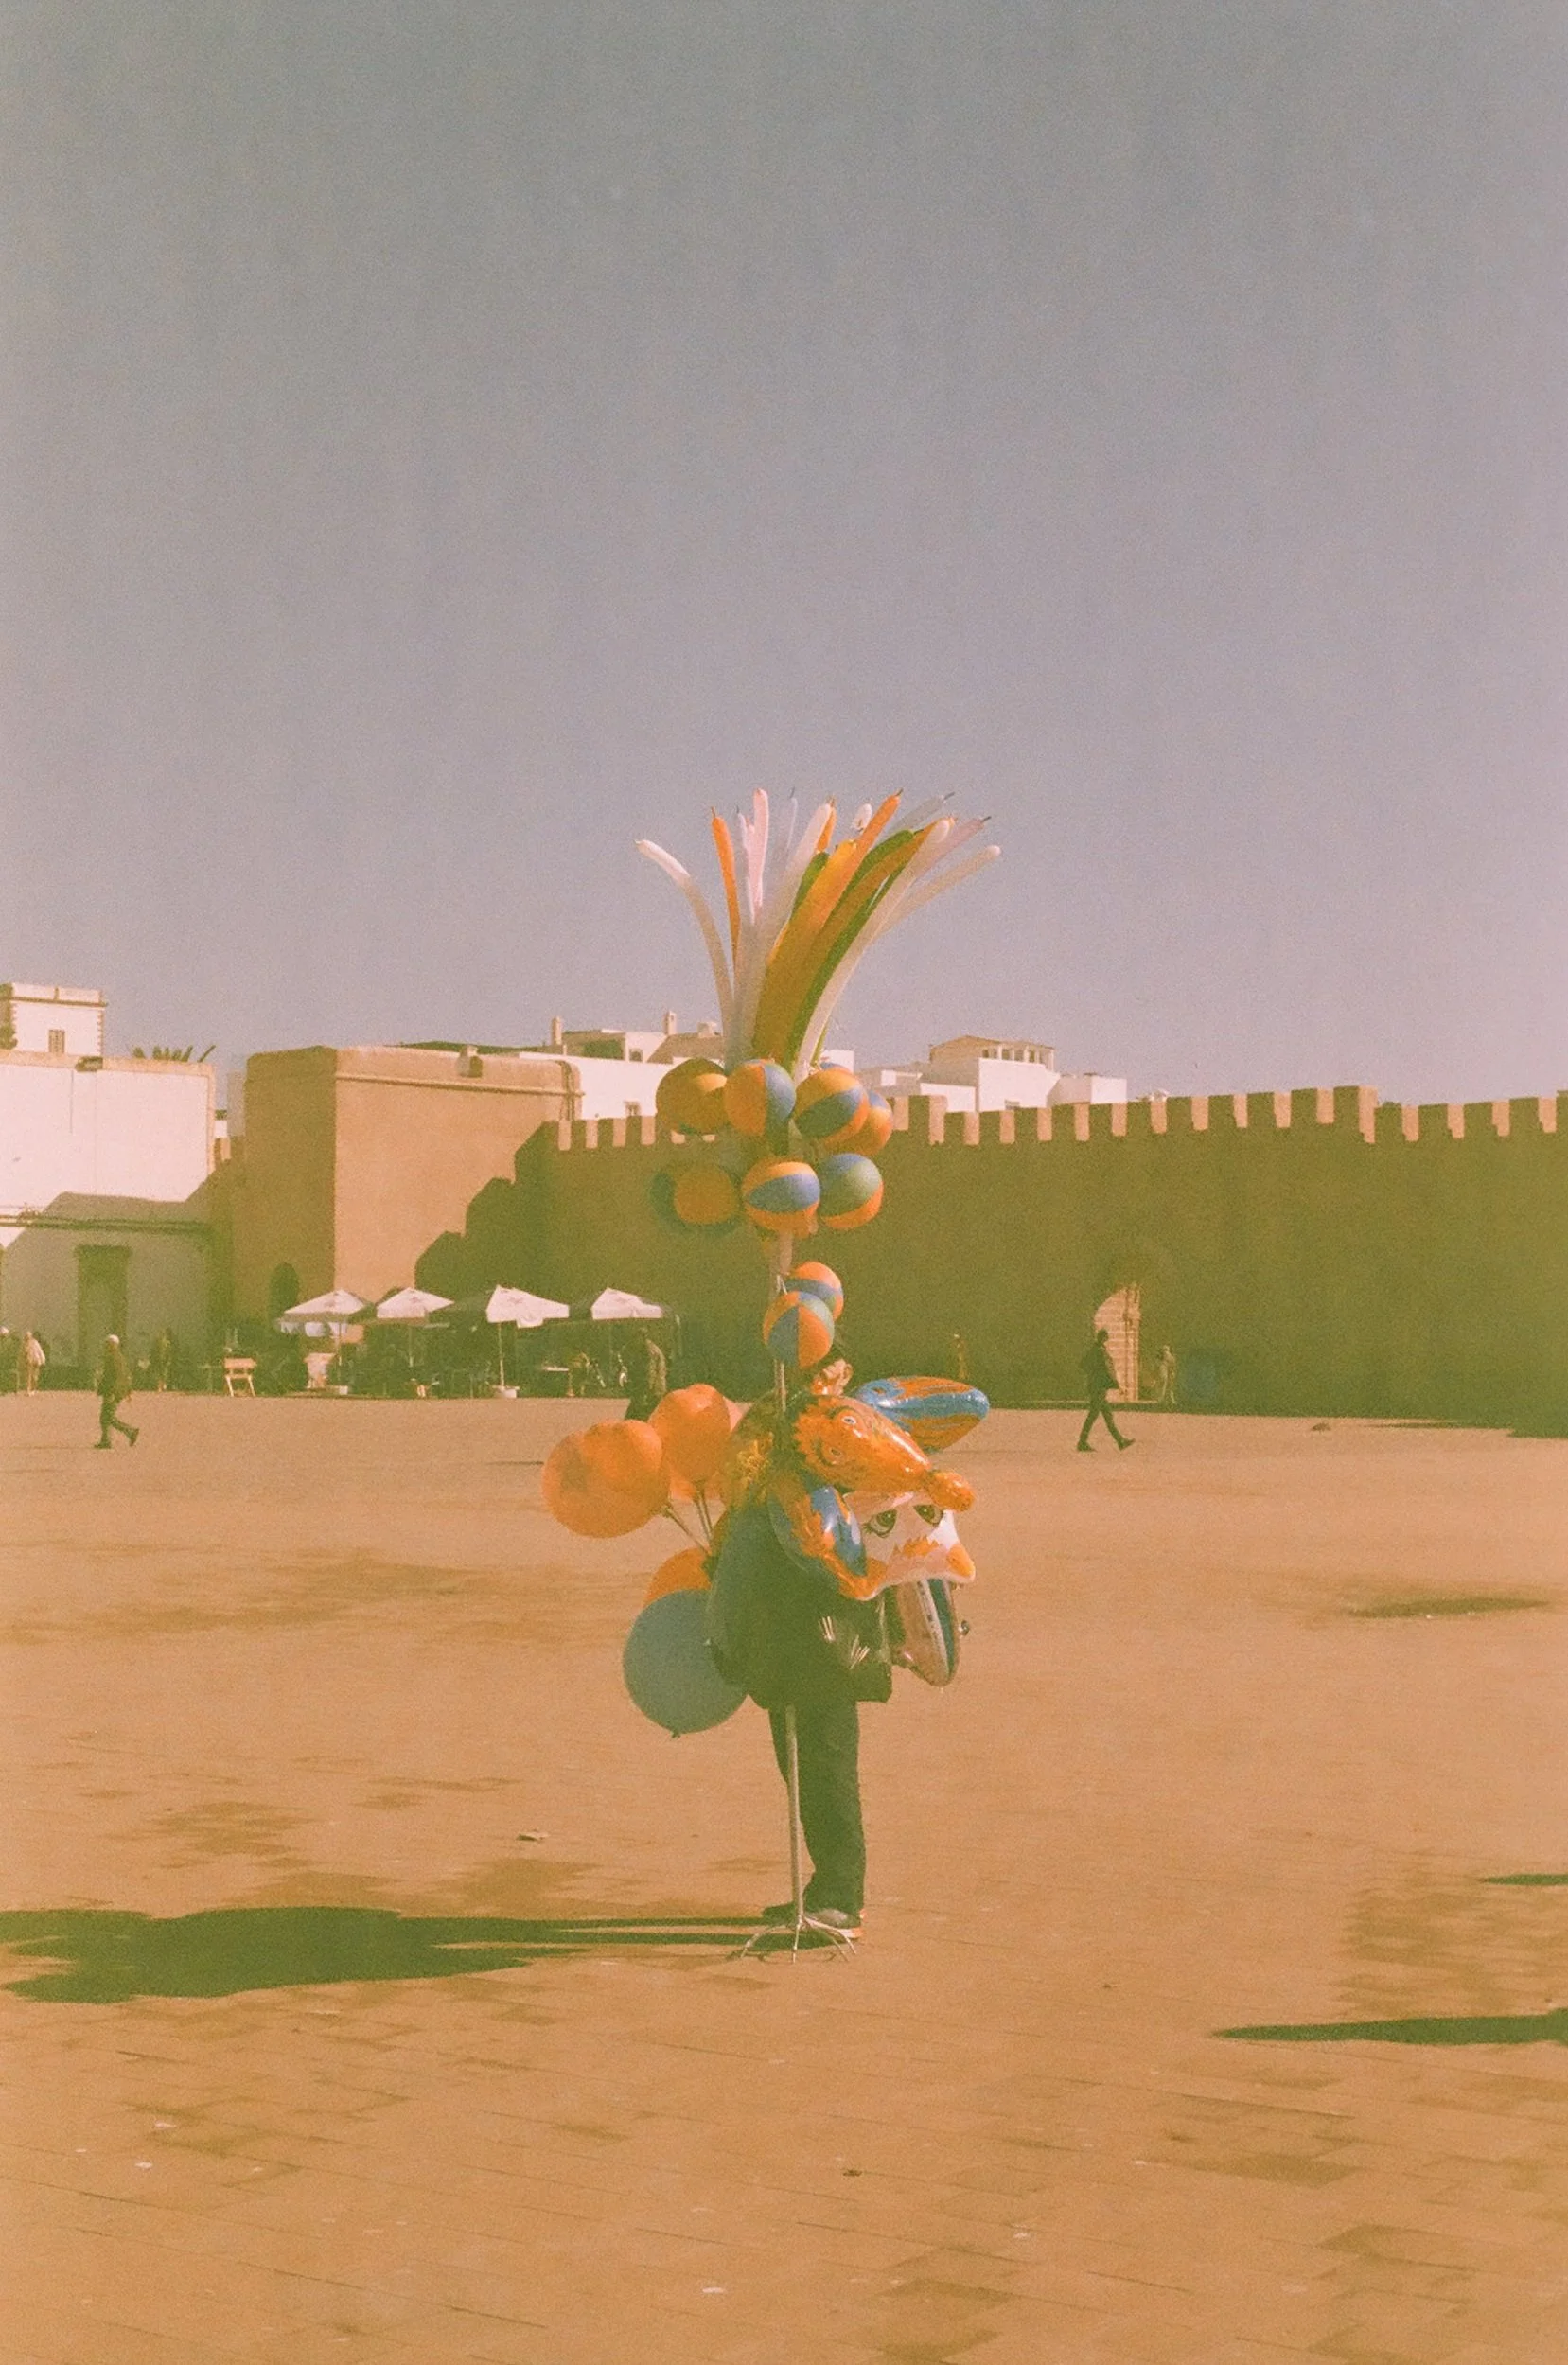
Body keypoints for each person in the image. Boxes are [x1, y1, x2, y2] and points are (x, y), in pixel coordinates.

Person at [708, 1498, 888, 1941]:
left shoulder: (829, 1479)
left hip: (826, 1647)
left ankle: (842, 1898)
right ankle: (825, 1886)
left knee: (827, 1772)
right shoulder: (767, 1491)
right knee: (802, 1773)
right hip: (787, 1646)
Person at [1077, 1326, 1133, 1453]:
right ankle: (1082, 1442)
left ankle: (1120, 1441)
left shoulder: (1093, 1350)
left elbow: (1083, 1365)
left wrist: (1093, 1375)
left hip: (1095, 1387)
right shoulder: (1100, 1351)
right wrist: (1117, 1385)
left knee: (1106, 1415)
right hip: (1099, 1389)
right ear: (1104, 1338)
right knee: (1095, 1416)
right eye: (1106, 1338)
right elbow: (1108, 1369)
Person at [94, 1334, 138, 1449]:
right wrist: (128, 1391)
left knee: (107, 1417)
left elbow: (116, 1377)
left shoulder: (113, 1358)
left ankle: (130, 1431)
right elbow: (126, 1376)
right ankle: (106, 1441)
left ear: (113, 1344)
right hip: (115, 1391)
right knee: (106, 1417)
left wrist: (112, 1393)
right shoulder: (118, 1357)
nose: (105, 1346)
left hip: (113, 1392)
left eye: (107, 1343)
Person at [624, 1328, 668, 1421]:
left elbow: (650, 1372)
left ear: (642, 1337)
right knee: (643, 1416)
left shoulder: (648, 1350)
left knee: (636, 1416)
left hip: (652, 1390)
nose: (634, 1340)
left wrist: (645, 1392)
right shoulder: (647, 1348)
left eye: (636, 1338)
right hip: (653, 1388)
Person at [150, 1326, 175, 1392]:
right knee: (160, 1373)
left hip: (164, 1360)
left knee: (164, 1373)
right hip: (159, 1360)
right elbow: (154, 1351)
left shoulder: (167, 1343)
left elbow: (169, 1352)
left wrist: (169, 1360)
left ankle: (163, 1385)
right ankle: (160, 1386)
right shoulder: (158, 1343)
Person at [1153, 1342, 1177, 1406]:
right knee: (1162, 1386)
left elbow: (1173, 1365)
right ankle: (1161, 1399)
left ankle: (1169, 1399)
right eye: (1164, 1350)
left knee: (1169, 1387)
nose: (1165, 1352)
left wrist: (1172, 1372)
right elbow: (1157, 1366)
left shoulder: (1171, 1357)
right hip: (1163, 1374)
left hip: (1168, 1373)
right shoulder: (1161, 1359)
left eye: (1166, 1349)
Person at [22, 1331, 45, 1395]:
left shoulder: (35, 1343)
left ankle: (33, 1389)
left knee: (35, 1376)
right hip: (29, 1362)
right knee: (28, 1376)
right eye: (26, 1337)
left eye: (28, 1337)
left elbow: (39, 1351)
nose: (27, 1338)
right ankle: (28, 1390)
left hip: (36, 1361)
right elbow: (23, 1353)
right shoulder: (24, 1344)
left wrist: (42, 1359)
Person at [0, 1329, 18, 1394]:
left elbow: (5, 1352)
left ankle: (6, 1390)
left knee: (6, 1375)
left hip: (7, 1361)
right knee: (5, 1375)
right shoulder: (8, 1342)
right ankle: (6, 1389)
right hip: (5, 1361)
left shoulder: (8, 1342)